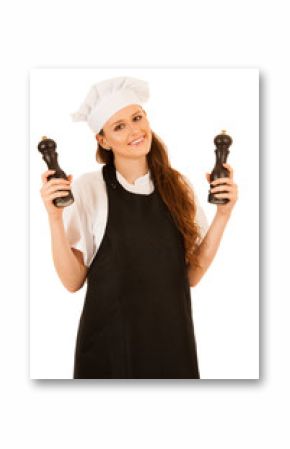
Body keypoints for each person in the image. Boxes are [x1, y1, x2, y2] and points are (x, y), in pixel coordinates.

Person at [40, 76, 238, 379]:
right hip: (108, 352)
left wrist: (223, 215)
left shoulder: (178, 185)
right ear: (103, 140)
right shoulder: (89, 188)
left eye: (137, 117)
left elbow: (191, 276)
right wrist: (54, 219)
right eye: (119, 126)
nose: (134, 130)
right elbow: (72, 281)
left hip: (172, 346)